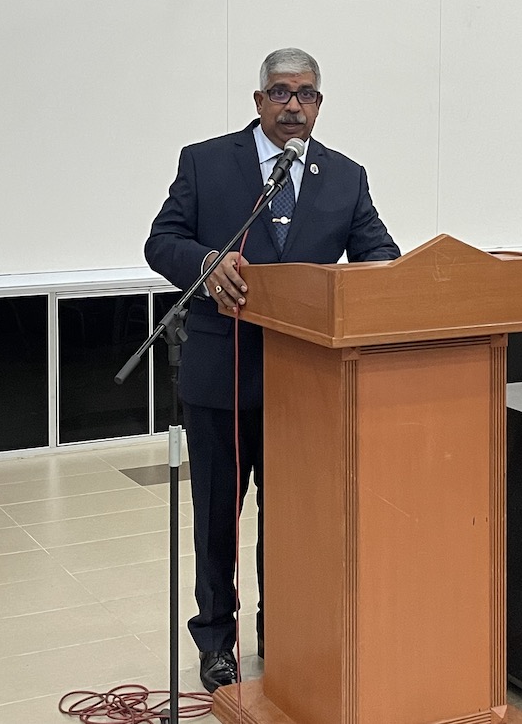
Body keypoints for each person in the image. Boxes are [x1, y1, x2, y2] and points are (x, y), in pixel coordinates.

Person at [144, 47, 400, 693]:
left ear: (319, 104)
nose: (293, 106)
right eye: (281, 92)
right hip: (220, 377)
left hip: (305, 385)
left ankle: (282, 629)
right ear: (259, 100)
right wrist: (206, 262)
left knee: (290, 522)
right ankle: (216, 641)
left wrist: (394, 281)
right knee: (217, 522)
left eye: (306, 94)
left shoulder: (345, 177)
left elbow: (380, 256)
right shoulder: (205, 163)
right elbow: (161, 240)